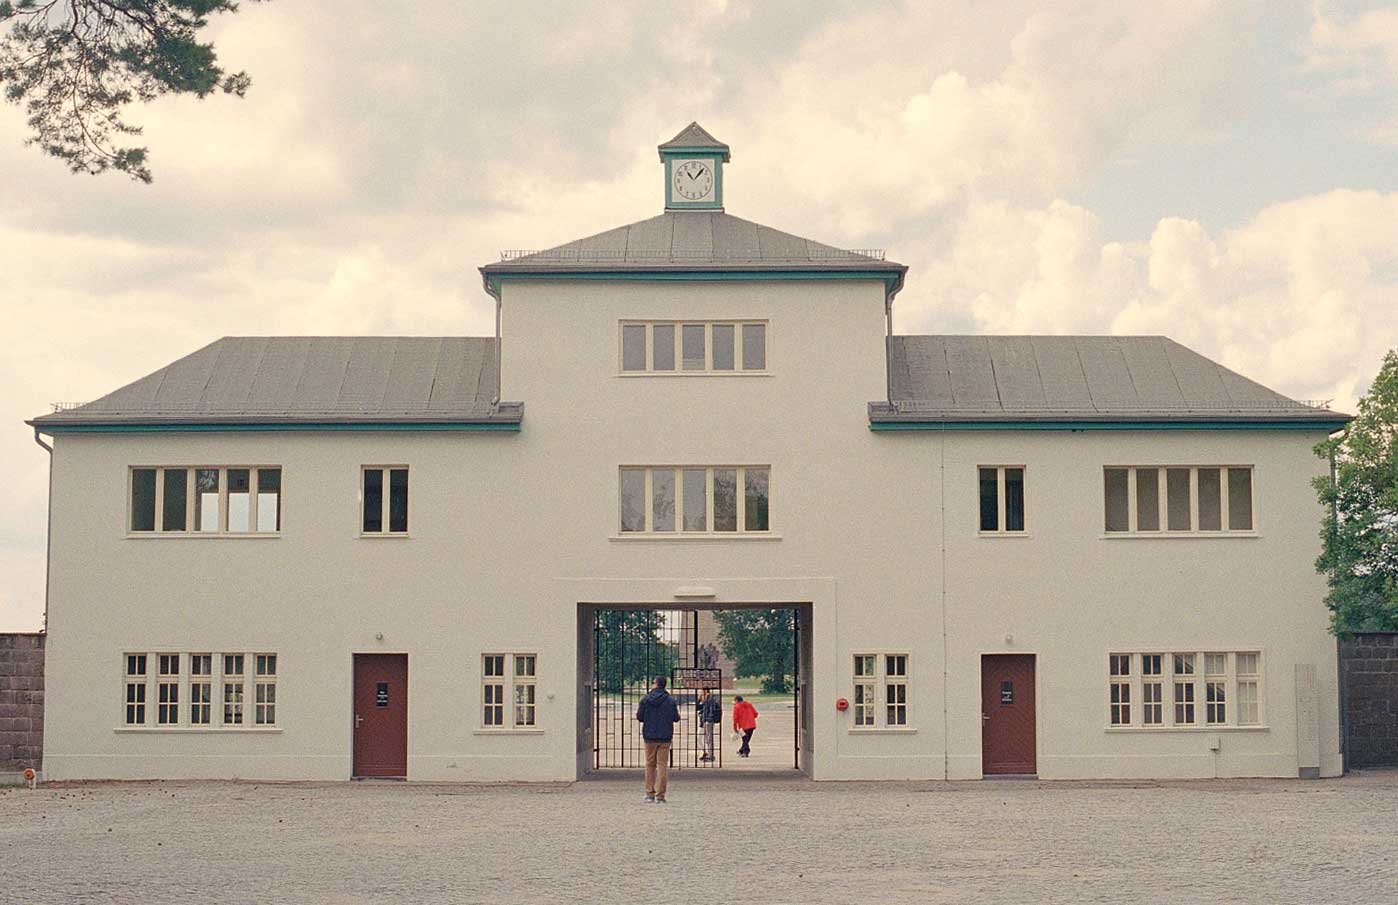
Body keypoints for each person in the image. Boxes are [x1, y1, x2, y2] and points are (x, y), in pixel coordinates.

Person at [635, 675, 680, 802]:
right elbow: (676, 718)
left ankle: (649, 793)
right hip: (665, 736)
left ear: (655, 684)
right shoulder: (670, 700)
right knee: (662, 766)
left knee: (650, 764)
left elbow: (640, 717)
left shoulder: (645, 699)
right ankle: (660, 795)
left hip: (649, 736)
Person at [696, 688, 721, 762]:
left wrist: (709, 719)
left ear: (705, 691)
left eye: (700, 691)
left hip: (708, 721)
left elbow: (711, 710)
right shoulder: (704, 699)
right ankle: (705, 752)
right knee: (700, 737)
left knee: (709, 738)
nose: (699, 692)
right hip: (703, 721)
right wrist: (699, 699)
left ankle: (710, 755)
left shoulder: (710, 699)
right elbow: (697, 708)